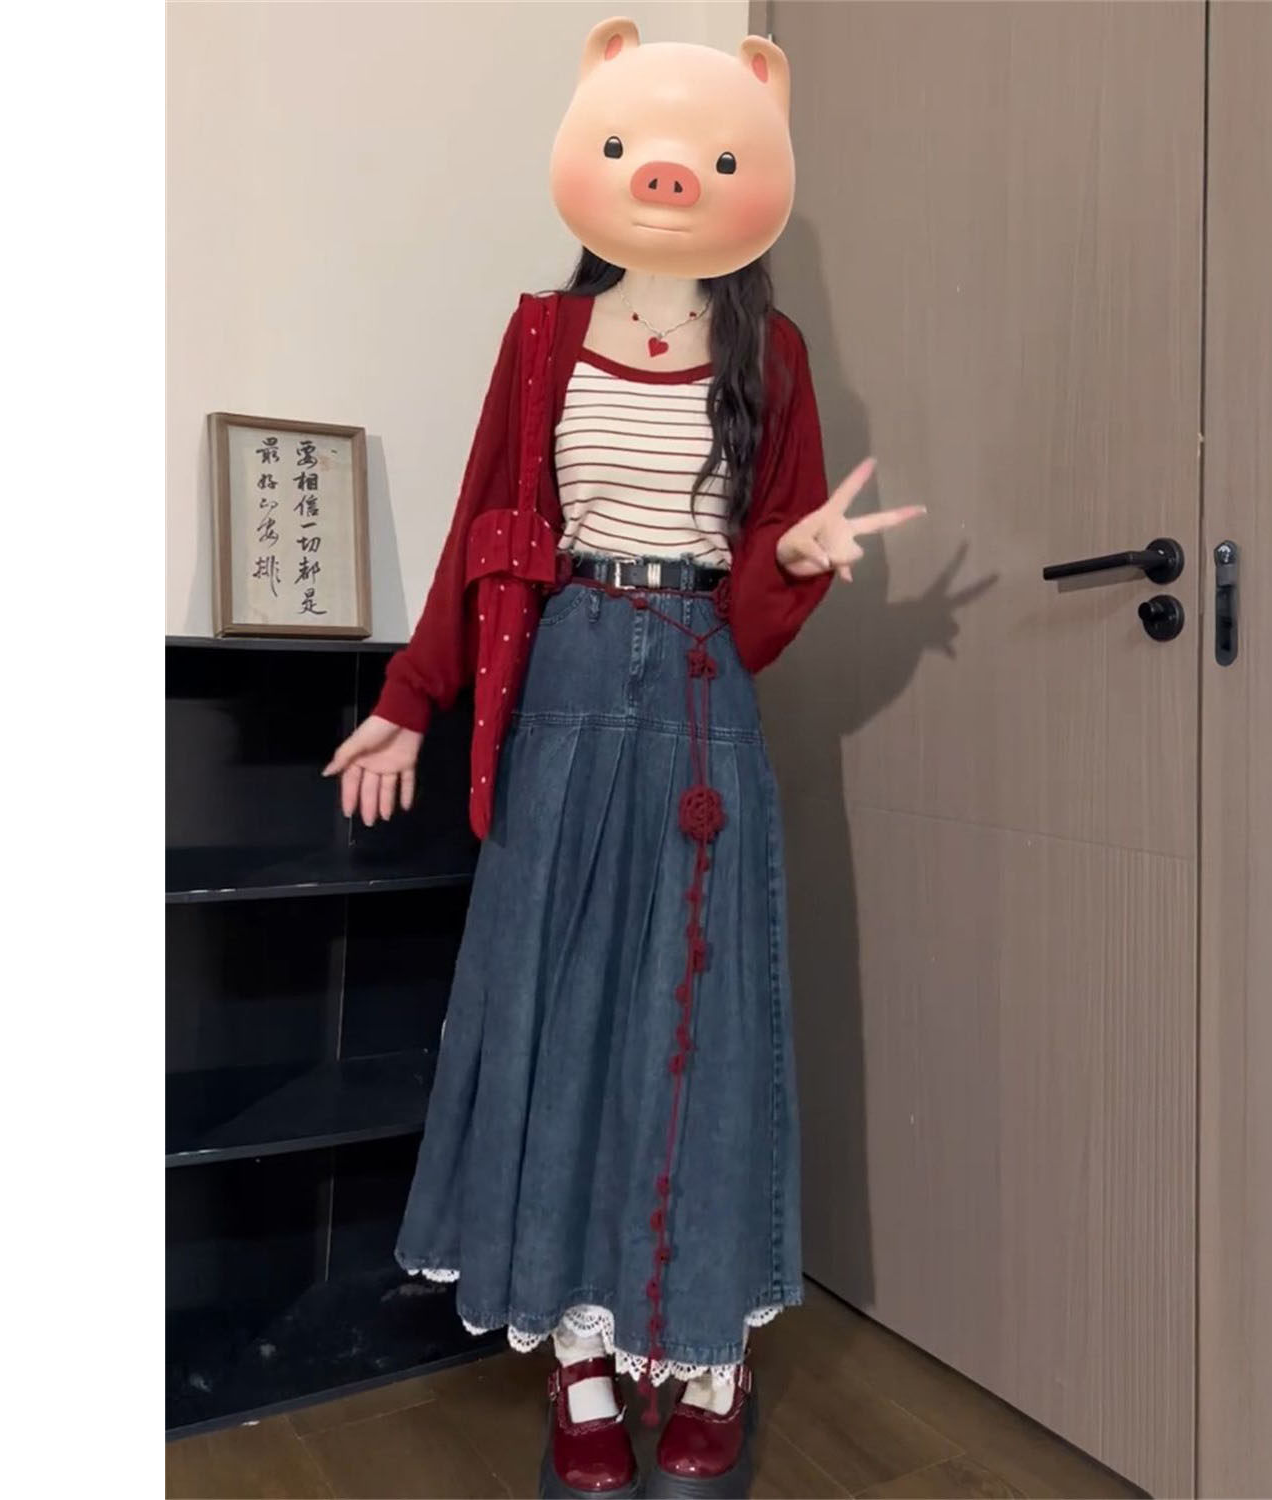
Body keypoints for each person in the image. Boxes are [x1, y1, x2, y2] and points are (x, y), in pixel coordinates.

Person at [324, 19, 922, 1498]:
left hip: (704, 691)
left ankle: (709, 1358)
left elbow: (760, 600)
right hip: (568, 682)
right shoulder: (541, 337)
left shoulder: (772, 353)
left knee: (699, 1019)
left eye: (711, 153)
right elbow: (487, 533)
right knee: (558, 1012)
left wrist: (795, 556)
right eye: (638, 144)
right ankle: (582, 1362)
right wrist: (410, 698)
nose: (670, 174)